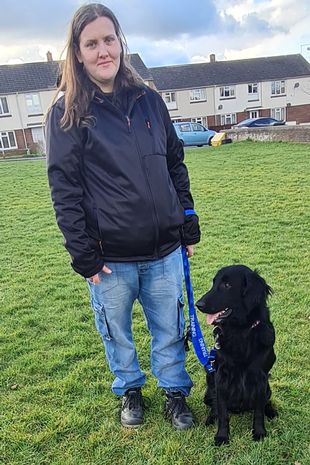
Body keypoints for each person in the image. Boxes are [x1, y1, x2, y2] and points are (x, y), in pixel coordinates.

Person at [46, 3, 200, 430]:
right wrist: (83, 253)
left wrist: (187, 217)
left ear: (120, 43)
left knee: (169, 327)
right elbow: (64, 189)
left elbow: (175, 163)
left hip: (165, 248)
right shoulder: (67, 112)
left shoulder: (150, 100)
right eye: (91, 43)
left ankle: (174, 392)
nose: (102, 51)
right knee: (117, 333)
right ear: (77, 53)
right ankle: (130, 389)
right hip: (108, 256)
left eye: (108, 40)